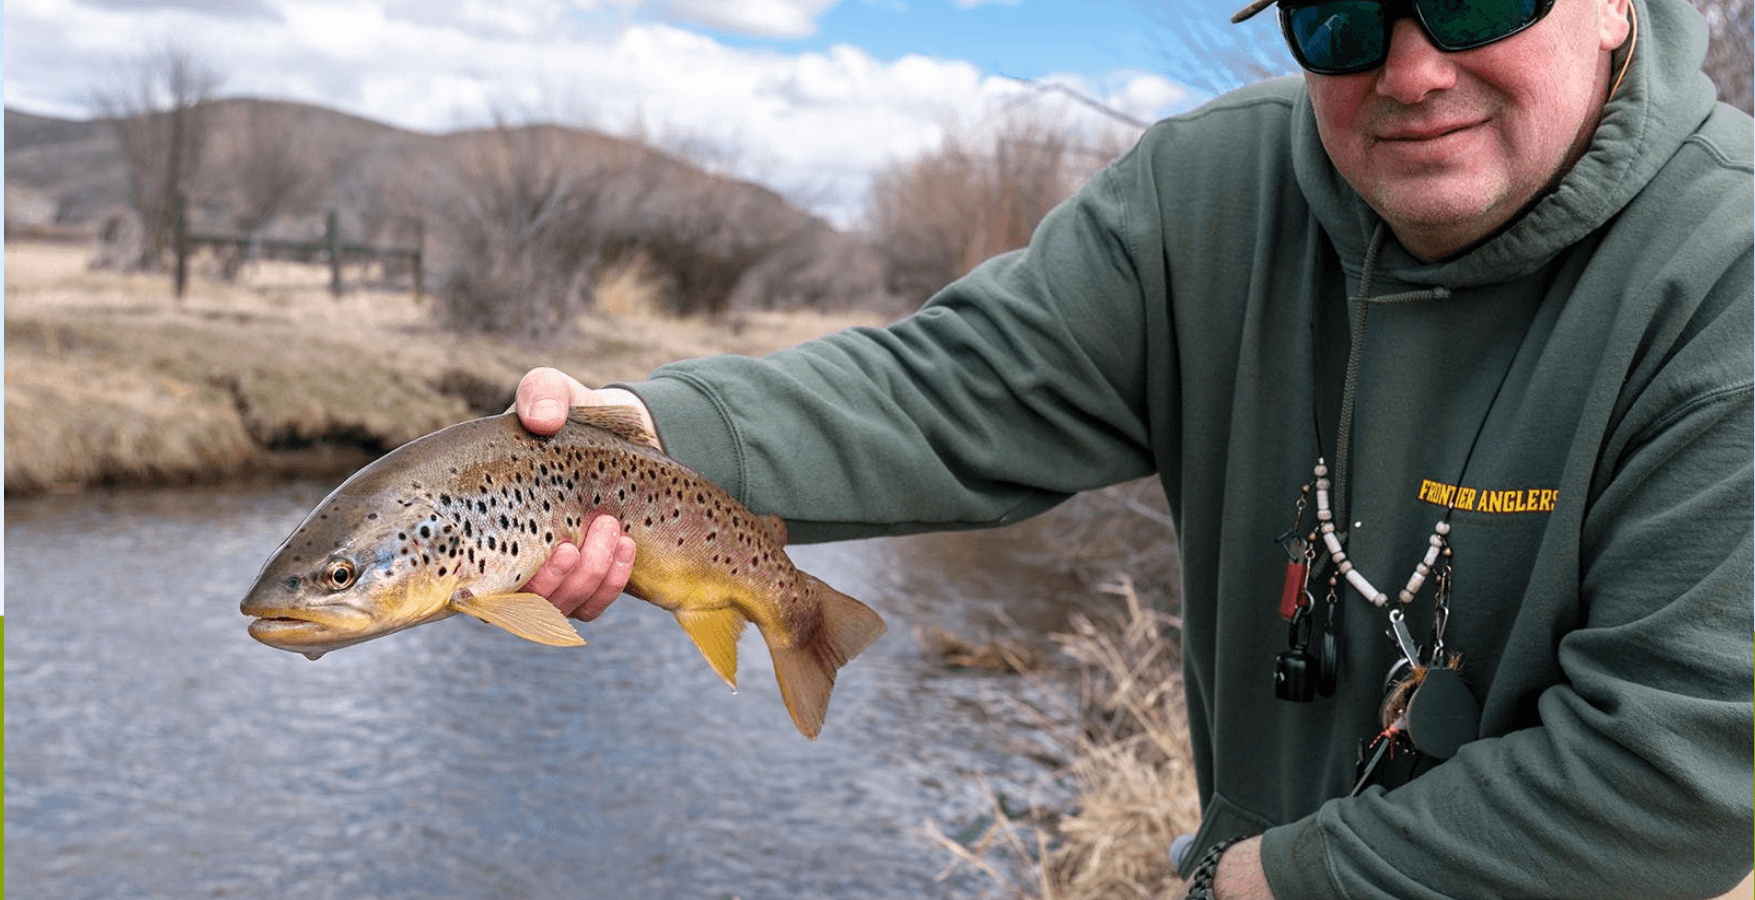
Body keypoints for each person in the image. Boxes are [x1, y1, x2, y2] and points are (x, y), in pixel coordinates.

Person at [513, 0, 1754, 894]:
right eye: (1339, 19)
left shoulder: (1729, 267)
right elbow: (951, 389)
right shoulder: (1208, 194)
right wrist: (651, 442)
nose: (1413, 69)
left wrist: (1276, 880)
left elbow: (1675, 770)